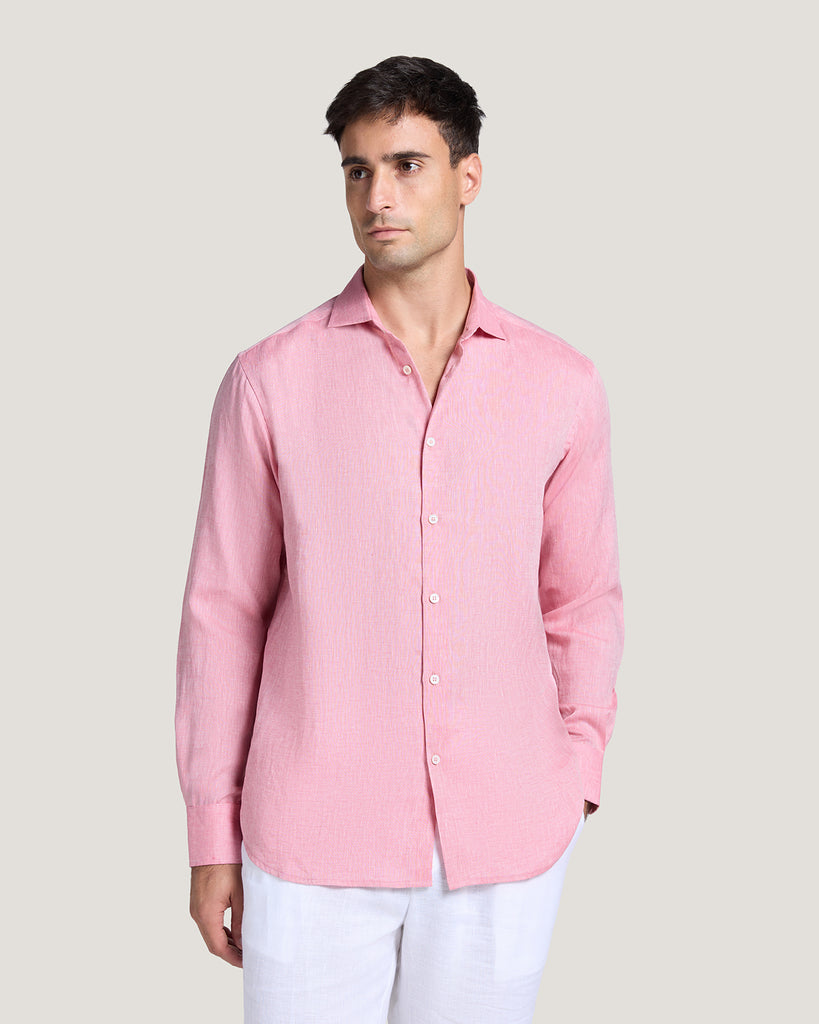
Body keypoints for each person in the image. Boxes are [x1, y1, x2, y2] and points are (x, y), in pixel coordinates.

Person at [175, 54, 624, 1024]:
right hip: (310, 841)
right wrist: (212, 833)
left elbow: (582, 599)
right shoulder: (269, 380)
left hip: (505, 838)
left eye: (407, 165)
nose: (378, 195)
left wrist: (577, 773)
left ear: (469, 176)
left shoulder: (561, 384)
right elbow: (223, 612)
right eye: (357, 169)